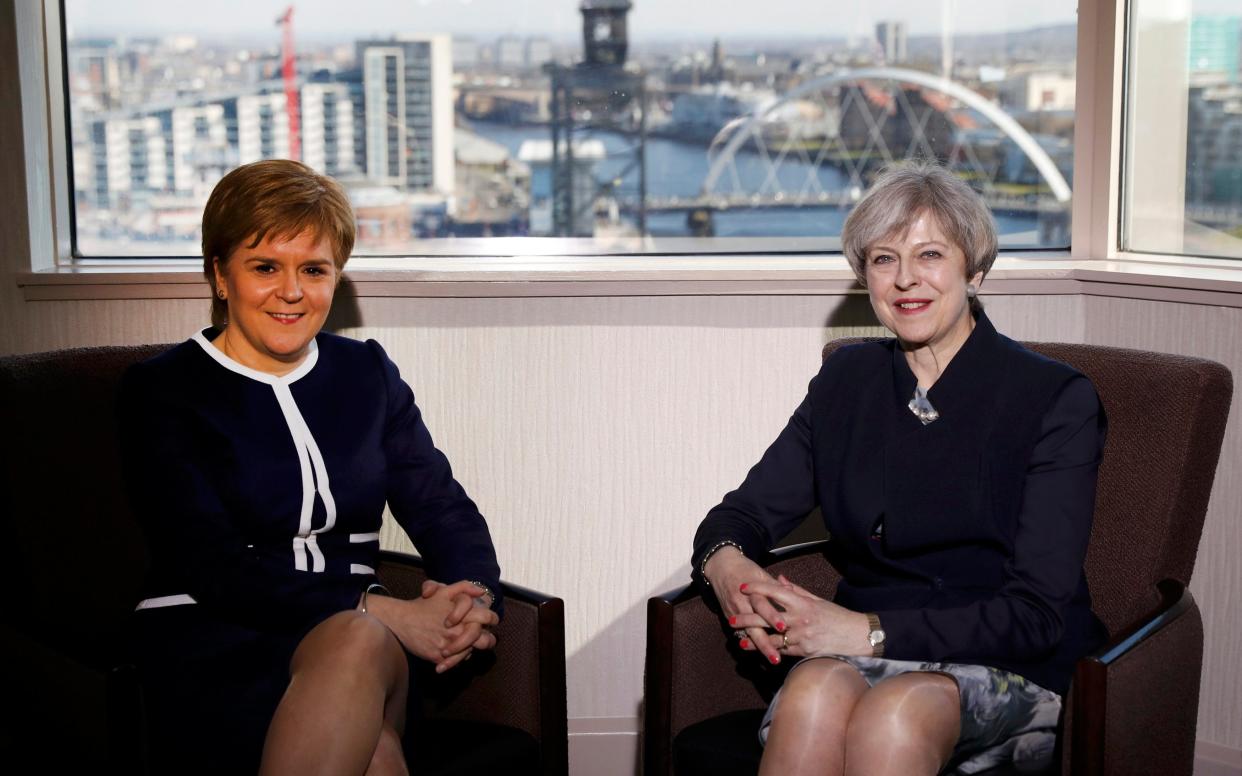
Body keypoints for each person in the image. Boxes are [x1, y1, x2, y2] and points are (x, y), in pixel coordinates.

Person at [692, 162, 1108, 776]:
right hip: (857, 650)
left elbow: (1037, 616)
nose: (906, 278)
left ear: (976, 269)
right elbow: (740, 515)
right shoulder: (847, 383)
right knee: (811, 695)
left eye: (931, 254)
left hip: (1008, 662)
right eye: (884, 259)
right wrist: (727, 568)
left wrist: (865, 633)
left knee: (897, 710)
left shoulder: (1054, 399)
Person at [119, 159, 503, 775]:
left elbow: (440, 505)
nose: (292, 291)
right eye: (265, 267)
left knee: (356, 642)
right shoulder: (163, 390)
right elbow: (208, 562)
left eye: (314, 270)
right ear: (220, 274)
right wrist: (382, 608)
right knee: (375, 749)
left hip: (359, 647)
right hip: (214, 639)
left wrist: (472, 602)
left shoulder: (366, 374)